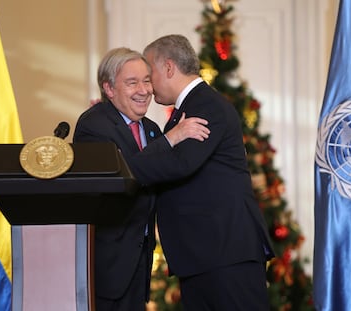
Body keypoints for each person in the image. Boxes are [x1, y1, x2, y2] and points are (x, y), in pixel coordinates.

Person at [123, 34, 275, 311]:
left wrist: (126, 168)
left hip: (225, 254)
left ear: (168, 68)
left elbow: (181, 164)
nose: (146, 84)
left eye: (149, 72)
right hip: (206, 255)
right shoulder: (189, 109)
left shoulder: (205, 105)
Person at [73, 47, 210, 311]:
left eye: (147, 80)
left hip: (139, 259)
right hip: (108, 262)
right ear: (109, 89)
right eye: (132, 82)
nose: (144, 90)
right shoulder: (94, 125)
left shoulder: (150, 128)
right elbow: (122, 176)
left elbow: (166, 175)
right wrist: (172, 139)